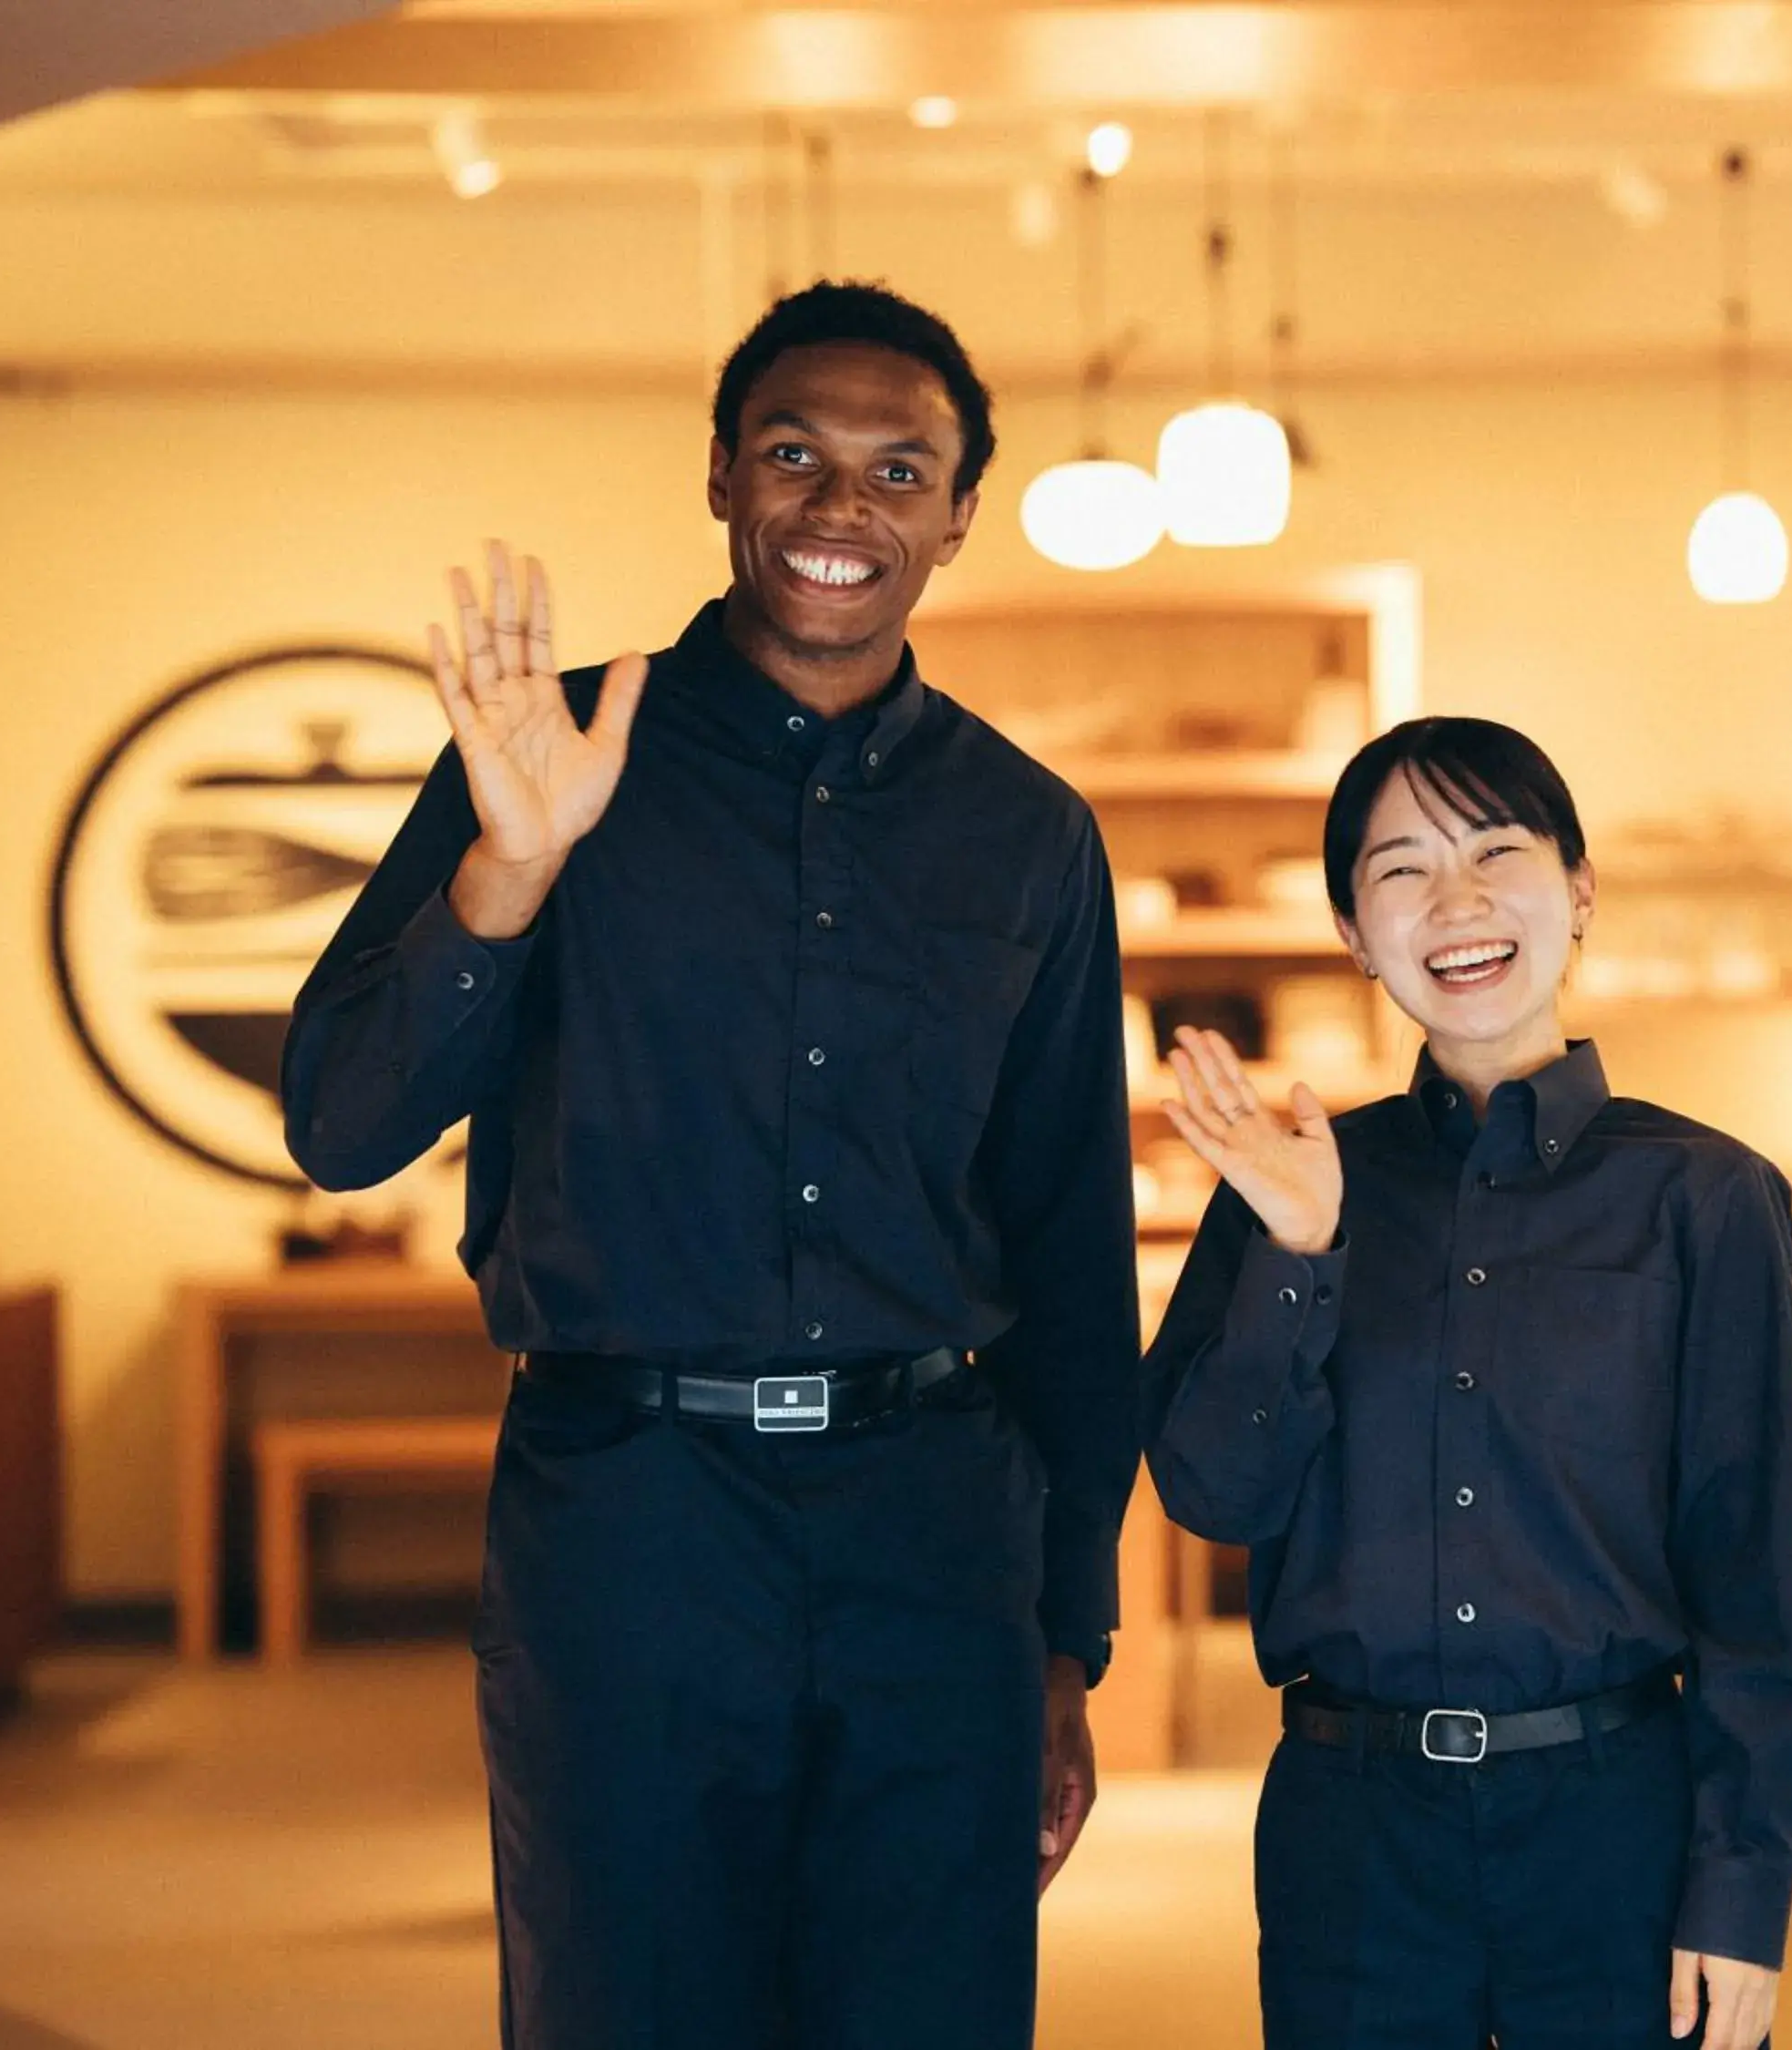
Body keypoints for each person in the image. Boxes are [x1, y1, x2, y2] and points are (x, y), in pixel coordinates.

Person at [281, 281, 1141, 2050]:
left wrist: (1066, 1637)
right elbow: (341, 1126)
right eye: (795, 455)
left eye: (900, 469)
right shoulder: (545, 752)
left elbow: (1070, 1252)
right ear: (723, 480)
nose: (844, 507)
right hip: (628, 1520)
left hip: (937, 1531)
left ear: (961, 510)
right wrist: (506, 875)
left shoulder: (1030, 833)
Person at [1142, 716, 1792, 2050]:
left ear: (1577, 891)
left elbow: (1752, 1584)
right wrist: (1299, 1253)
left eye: (1494, 852)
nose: (1454, 902)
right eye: (1400, 870)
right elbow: (1214, 1492)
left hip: (1615, 1814)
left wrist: (1741, 1893)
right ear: (1351, 930)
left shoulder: (1707, 1197)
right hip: (1352, 1825)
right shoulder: (1289, 1181)